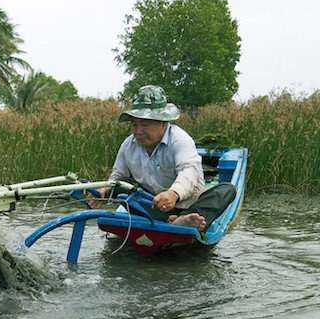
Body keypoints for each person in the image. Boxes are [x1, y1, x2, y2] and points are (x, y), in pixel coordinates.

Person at [96, 85, 235, 232]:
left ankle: (185, 220)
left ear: (163, 123)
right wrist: (103, 191)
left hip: (189, 206)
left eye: (144, 125)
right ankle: (167, 221)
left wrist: (173, 194)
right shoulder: (128, 144)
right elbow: (117, 176)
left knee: (227, 190)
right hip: (153, 207)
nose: (137, 131)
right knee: (121, 185)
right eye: (134, 125)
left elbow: (188, 171)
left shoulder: (180, 139)